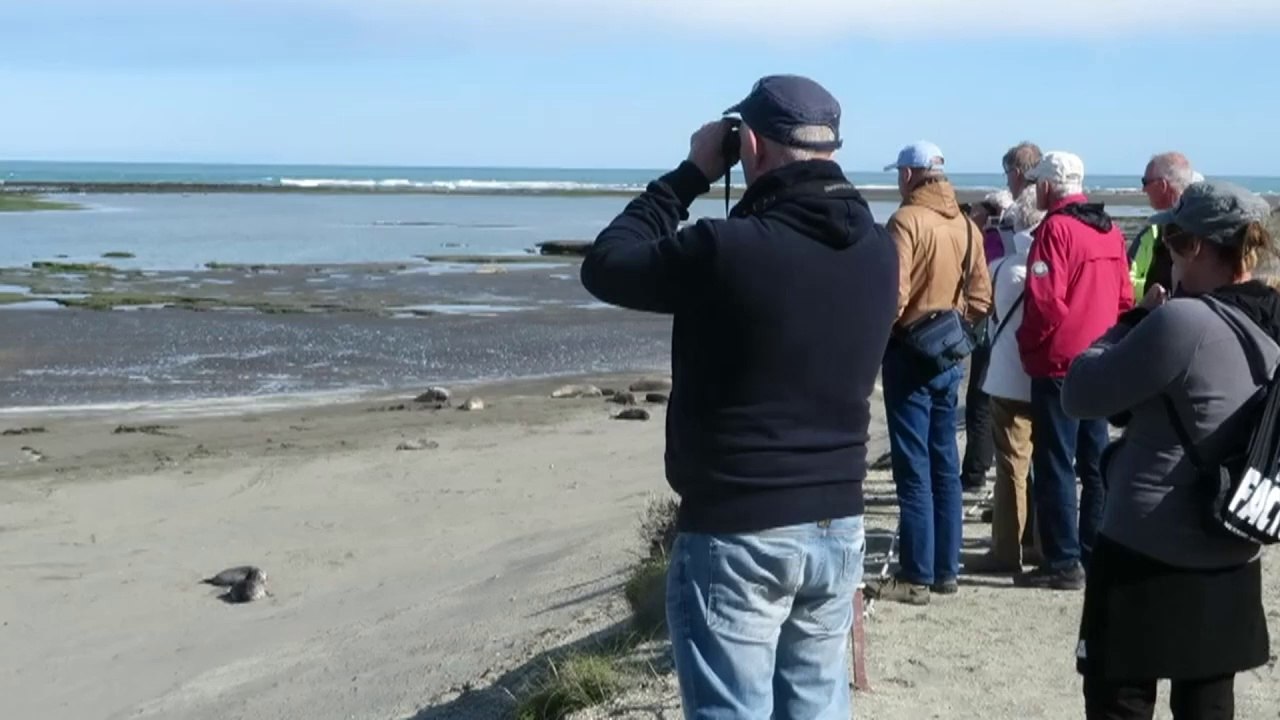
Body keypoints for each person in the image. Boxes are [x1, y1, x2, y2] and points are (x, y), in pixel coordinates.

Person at [580, 75, 898, 719]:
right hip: (838, 521)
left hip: (739, 526)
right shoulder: (879, 250)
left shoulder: (729, 249)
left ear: (749, 144)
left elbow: (607, 265)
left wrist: (691, 174)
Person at [1062, 181, 1275, 719]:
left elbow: (1081, 393)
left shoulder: (1184, 321)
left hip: (1148, 541)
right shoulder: (1270, 319)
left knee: (1120, 701)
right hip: (1233, 541)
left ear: (1195, 246)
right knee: (1208, 702)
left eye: (1173, 244)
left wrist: (1130, 323)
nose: (1170, 258)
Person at [867, 141, 992, 605]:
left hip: (909, 352)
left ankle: (917, 574)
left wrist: (879, 338)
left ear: (910, 174)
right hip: (948, 356)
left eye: (900, 173)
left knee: (914, 468)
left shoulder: (906, 221)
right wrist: (955, 329)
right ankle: (945, 569)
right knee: (944, 465)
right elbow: (982, 297)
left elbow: (894, 296)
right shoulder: (965, 224)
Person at [1014, 151, 1134, 590]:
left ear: (1048, 186)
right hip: (1100, 359)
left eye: (1038, 184)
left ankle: (1064, 560)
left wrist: (1028, 344)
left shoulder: (1056, 229)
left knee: (1056, 463)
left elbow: (1046, 302)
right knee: (1094, 462)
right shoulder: (1110, 230)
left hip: (1061, 362)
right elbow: (1124, 298)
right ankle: (1091, 549)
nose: (1036, 190)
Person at [966, 197, 1046, 573]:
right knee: (1047, 463)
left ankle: (1007, 548)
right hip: (1044, 376)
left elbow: (984, 311)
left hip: (1007, 376)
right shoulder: (1053, 268)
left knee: (1012, 466)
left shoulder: (1002, 268)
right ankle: (1042, 541)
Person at [961, 189, 1016, 493]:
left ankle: (975, 471)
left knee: (980, 402)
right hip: (1007, 327)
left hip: (991, 326)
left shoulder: (991, 241)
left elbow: (979, 284)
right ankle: (983, 467)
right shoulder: (1013, 239)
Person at [1130, 152, 1197, 296]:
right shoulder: (1153, 232)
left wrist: (1152, 294)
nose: (1143, 189)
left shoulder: (1192, 231)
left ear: (1162, 185)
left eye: (1145, 182)